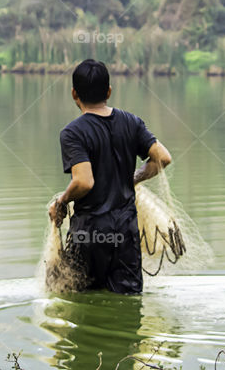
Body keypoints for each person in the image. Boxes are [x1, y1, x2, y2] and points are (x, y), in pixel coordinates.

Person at [48, 59, 173, 294]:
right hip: (126, 234)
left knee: (84, 303)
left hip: (89, 235)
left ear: (74, 93)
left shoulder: (73, 133)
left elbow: (84, 181)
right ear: (108, 91)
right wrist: (132, 178)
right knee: (128, 300)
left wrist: (61, 202)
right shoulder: (132, 122)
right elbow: (163, 158)